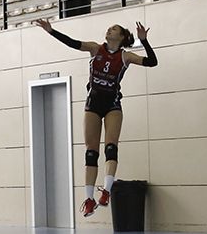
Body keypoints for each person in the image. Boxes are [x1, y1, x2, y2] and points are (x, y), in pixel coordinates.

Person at [35, 19, 158, 216]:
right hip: (93, 103)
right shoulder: (95, 48)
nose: (109, 29)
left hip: (112, 104)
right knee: (91, 152)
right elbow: (73, 43)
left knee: (111, 147)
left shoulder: (125, 56)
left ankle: (106, 191)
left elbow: (152, 62)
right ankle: (89, 198)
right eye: (109, 28)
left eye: (114, 29)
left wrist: (144, 41)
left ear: (122, 37)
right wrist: (51, 31)